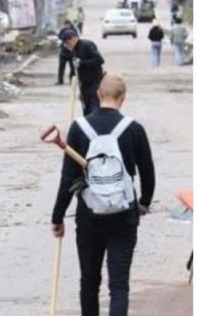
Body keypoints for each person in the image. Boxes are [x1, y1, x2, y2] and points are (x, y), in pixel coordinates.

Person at [51, 73, 155, 316]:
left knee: (89, 281)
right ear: (123, 97)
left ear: (98, 95)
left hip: (89, 217)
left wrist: (57, 218)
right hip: (124, 216)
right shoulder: (134, 129)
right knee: (119, 284)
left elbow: (68, 178)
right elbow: (148, 173)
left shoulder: (79, 128)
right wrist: (143, 204)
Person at [60, 29, 104, 116]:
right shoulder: (75, 50)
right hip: (84, 85)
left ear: (72, 39)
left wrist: (82, 63)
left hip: (94, 83)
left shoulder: (86, 45)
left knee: (94, 108)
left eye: (67, 43)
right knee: (86, 109)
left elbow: (99, 60)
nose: (67, 46)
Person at [56, 20, 78, 85]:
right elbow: (59, 37)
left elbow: (76, 39)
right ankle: (60, 80)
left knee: (73, 67)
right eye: (66, 25)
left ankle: (72, 80)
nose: (67, 26)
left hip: (72, 52)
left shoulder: (73, 30)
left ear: (70, 24)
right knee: (61, 67)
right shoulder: (63, 30)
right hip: (63, 52)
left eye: (68, 24)